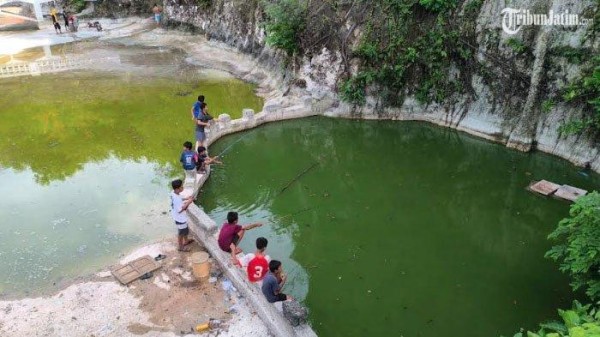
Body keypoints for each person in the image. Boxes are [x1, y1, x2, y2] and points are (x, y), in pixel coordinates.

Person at [170, 179, 194, 252]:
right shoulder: (176, 199)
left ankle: (186, 241)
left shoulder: (173, 193)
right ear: (177, 189)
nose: (182, 187)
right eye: (181, 187)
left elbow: (179, 197)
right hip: (180, 218)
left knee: (185, 231)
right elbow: (180, 210)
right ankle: (180, 247)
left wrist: (186, 198)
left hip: (178, 217)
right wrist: (189, 202)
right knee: (181, 233)